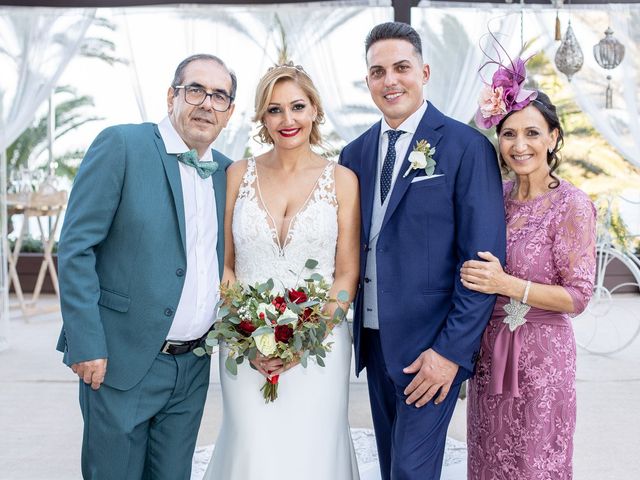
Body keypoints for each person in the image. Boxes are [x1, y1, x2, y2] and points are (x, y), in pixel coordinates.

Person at [339, 22, 506, 479]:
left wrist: (450, 352)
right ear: (368, 80)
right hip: (373, 341)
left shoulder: (467, 147)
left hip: (431, 347)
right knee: (393, 465)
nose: (389, 80)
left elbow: (483, 263)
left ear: (424, 71)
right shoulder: (352, 155)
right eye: (377, 71)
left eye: (401, 67)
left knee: (412, 472)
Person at [57, 54, 236, 479]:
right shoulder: (122, 145)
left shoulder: (228, 173)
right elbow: (76, 247)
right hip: (120, 361)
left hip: (193, 367)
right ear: (172, 95)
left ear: (229, 112)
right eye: (196, 90)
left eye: (220, 96)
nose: (207, 103)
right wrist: (86, 342)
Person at [203, 63, 361, 479]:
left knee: (313, 447)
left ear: (315, 110)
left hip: (321, 345)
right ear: (262, 118)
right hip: (244, 343)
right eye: (275, 110)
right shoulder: (237, 174)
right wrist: (245, 333)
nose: (287, 120)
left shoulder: (343, 180)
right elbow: (226, 264)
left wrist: (306, 341)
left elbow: (345, 277)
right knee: (252, 444)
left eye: (297, 107)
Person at [463, 57, 597, 479]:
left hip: (543, 357)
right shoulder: (493, 197)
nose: (520, 145)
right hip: (490, 353)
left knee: (536, 461)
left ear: (554, 138)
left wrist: (506, 283)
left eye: (532, 133)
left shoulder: (572, 205)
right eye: (508, 134)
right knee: (488, 457)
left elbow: (578, 296)